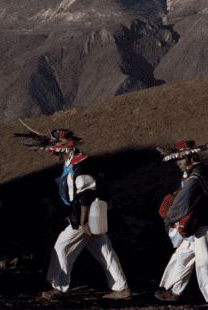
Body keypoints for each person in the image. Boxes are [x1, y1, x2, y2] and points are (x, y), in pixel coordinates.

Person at [15, 127, 130, 300]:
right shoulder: (73, 163)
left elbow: (86, 193)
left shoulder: (81, 164)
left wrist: (83, 220)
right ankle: (122, 288)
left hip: (85, 217)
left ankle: (58, 287)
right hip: (90, 216)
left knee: (62, 247)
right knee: (105, 252)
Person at [154, 140, 208, 304]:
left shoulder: (196, 177)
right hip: (194, 225)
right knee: (181, 257)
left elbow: (184, 202)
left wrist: (169, 218)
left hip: (203, 224)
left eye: (180, 159)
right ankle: (171, 290)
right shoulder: (193, 174)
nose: (177, 162)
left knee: (206, 262)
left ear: (189, 157)